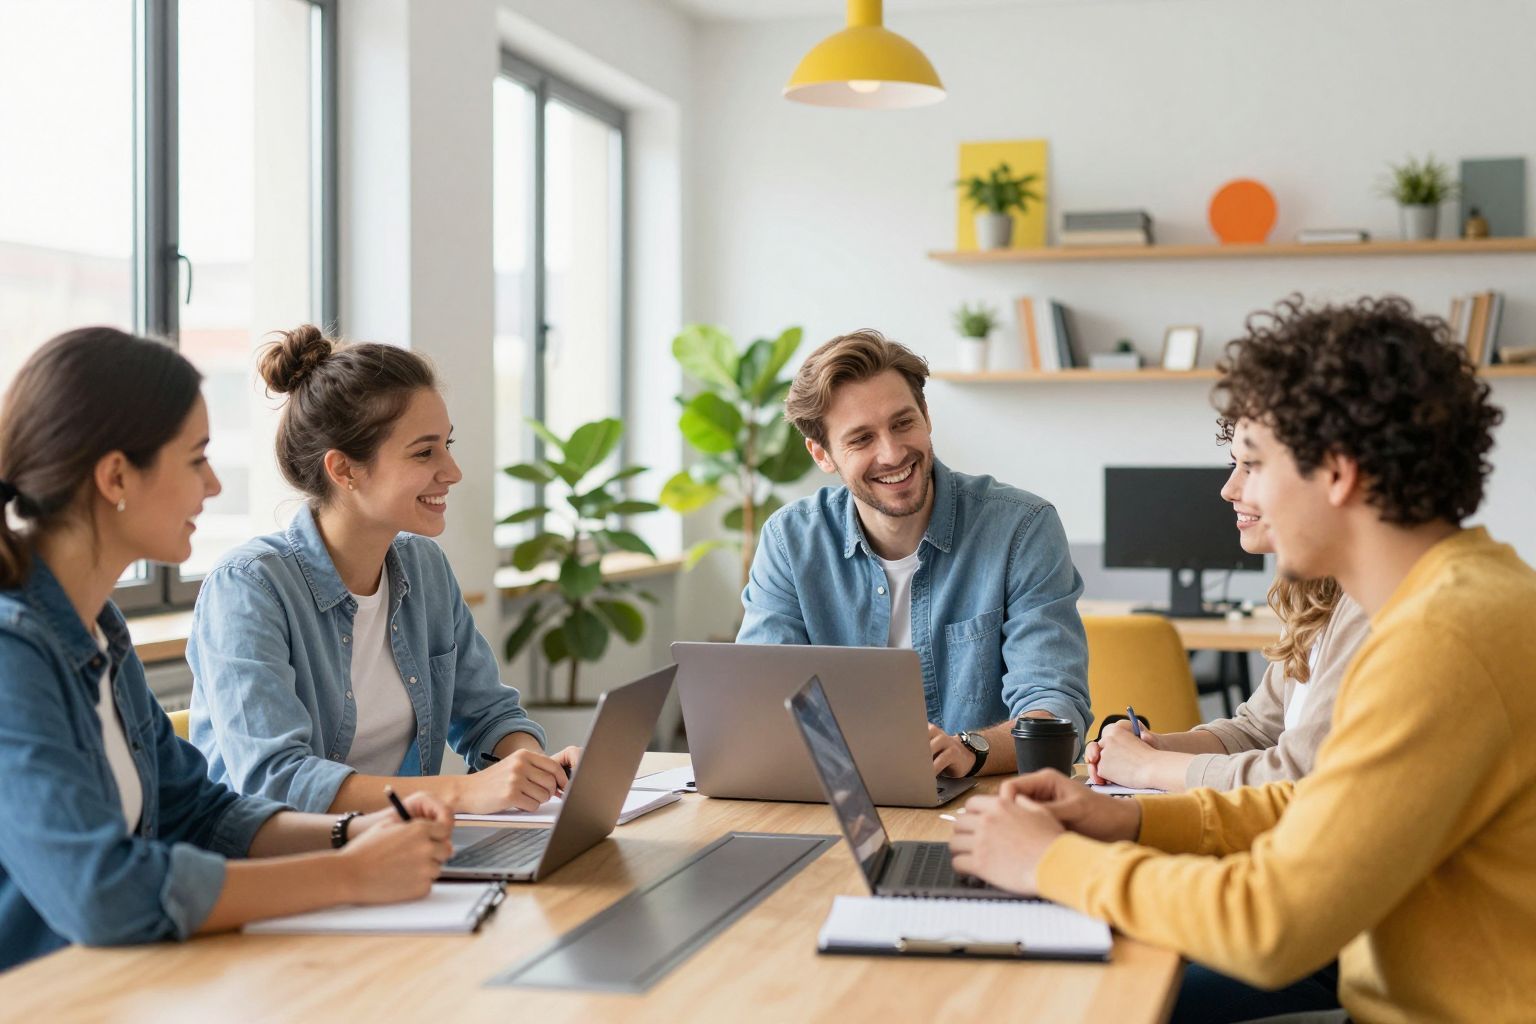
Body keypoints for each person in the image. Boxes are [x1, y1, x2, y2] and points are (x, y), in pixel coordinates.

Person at [949, 295, 1536, 1023]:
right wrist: (1130, 823)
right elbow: (1319, 808)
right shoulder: (1459, 600)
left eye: (1254, 464)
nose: (1236, 491)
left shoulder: (1444, 638)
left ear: (1339, 472)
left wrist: (1049, 861)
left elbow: (1270, 927)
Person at [0, 328, 454, 972]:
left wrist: (352, 833)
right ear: (116, 476)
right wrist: (347, 875)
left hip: (130, 978)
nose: (213, 486)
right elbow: (101, 890)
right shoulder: (12, 653)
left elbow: (198, 811)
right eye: (196, 459)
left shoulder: (98, 628)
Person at [189, 326, 576, 815]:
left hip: (393, 851)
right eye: (424, 451)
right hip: (277, 867)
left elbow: (488, 714)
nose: (452, 471)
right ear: (344, 470)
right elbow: (277, 780)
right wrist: (465, 792)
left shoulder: (424, 567)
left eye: (447, 445)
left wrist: (535, 767)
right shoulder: (248, 587)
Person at [738, 329, 1090, 777]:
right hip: (837, 799)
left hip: (983, 806)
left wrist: (972, 749)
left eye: (903, 423)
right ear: (822, 454)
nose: (892, 453)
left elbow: (1056, 710)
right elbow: (761, 704)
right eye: (861, 439)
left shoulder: (1021, 528)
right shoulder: (790, 541)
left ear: (926, 415)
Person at [1087, 463, 1371, 793]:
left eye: (1253, 466)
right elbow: (1259, 730)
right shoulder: (1313, 594)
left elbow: (1302, 774)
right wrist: (1153, 749)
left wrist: (1149, 767)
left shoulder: (1370, 605)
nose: (1229, 490)